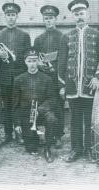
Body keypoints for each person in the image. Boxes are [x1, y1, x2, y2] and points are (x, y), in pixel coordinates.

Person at [58, 0, 99, 162]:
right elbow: (61, 63)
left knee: (89, 121)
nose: (79, 17)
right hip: (72, 87)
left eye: (82, 13)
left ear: (88, 14)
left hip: (89, 87)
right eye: (76, 14)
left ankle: (90, 149)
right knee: (75, 121)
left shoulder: (98, 36)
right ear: (73, 16)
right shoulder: (66, 37)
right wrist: (63, 85)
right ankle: (76, 149)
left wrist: (98, 77)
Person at [0, 2, 31, 144]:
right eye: (8, 15)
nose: (10, 18)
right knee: (7, 105)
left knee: (20, 105)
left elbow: (28, 56)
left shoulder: (25, 35)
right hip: (4, 77)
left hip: (20, 75)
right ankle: (8, 134)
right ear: (4, 17)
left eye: (13, 15)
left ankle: (19, 133)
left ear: (17, 16)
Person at [12, 47, 56, 163]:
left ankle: (47, 148)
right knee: (31, 148)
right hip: (26, 115)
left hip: (42, 112)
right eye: (29, 61)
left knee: (51, 119)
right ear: (25, 62)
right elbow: (15, 104)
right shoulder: (18, 80)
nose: (32, 64)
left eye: (34, 60)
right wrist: (17, 123)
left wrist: (40, 110)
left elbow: (52, 99)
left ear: (38, 61)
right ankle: (34, 137)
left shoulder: (47, 79)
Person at [33, 5, 64, 148]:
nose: (49, 21)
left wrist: (55, 69)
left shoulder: (63, 37)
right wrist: (40, 65)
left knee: (59, 106)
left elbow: (66, 59)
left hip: (58, 78)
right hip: (44, 79)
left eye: (51, 18)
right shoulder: (39, 39)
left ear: (55, 19)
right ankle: (43, 134)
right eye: (46, 18)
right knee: (43, 106)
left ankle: (58, 136)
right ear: (43, 20)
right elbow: (36, 58)